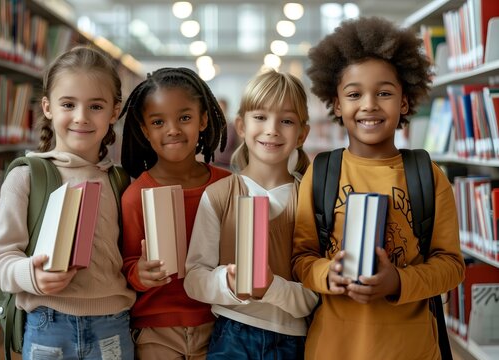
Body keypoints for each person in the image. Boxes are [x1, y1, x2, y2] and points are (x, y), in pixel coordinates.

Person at [291, 17, 465, 360]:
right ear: (337, 104)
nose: (369, 104)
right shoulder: (322, 173)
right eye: (355, 94)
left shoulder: (426, 175)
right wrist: (329, 274)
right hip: (332, 348)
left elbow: (451, 266)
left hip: (411, 349)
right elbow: (300, 259)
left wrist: (397, 281)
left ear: (404, 102)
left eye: (384, 93)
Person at [0, 46, 136, 359]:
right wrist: (32, 276)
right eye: (68, 104)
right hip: (48, 326)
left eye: (95, 106)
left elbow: (130, 259)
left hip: (113, 326)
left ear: (115, 111)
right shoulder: (27, 176)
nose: (81, 117)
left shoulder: (121, 182)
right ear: (48, 107)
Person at [184, 69, 319, 360]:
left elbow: (313, 295)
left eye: (286, 120)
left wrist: (272, 288)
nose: (272, 129)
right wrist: (228, 284)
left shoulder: (310, 200)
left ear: (302, 134)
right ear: (241, 126)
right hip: (232, 333)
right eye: (260, 117)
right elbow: (194, 277)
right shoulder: (219, 195)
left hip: (291, 339)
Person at [119, 67, 231, 360]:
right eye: (158, 121)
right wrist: (141, 273)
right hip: (156, 330)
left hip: (218, 323)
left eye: (184, 117)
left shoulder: (227, 185)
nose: (172, 129)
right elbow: (129, 265)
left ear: (203, 119)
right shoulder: (135, 197)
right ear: (145, 130)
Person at [212, 98, 240, 170]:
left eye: (222, 109)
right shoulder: (214, 127)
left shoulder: (232, 127)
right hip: (216, 163)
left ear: (226, 109)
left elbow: (225, 147)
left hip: (228, 164)